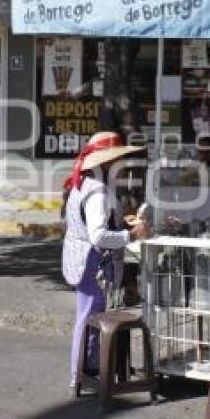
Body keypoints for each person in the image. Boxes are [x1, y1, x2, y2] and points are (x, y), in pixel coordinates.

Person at [62, 131, 150, 392]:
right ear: (107, 163)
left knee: (89, 315)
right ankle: (80, 373)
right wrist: (131, 234)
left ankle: (87, 369)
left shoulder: (85, 184)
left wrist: (121, 223)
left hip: (84, 258)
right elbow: (98, 235)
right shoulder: (98, 191)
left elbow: (93, 223)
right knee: (88, 316)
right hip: (92, 261)